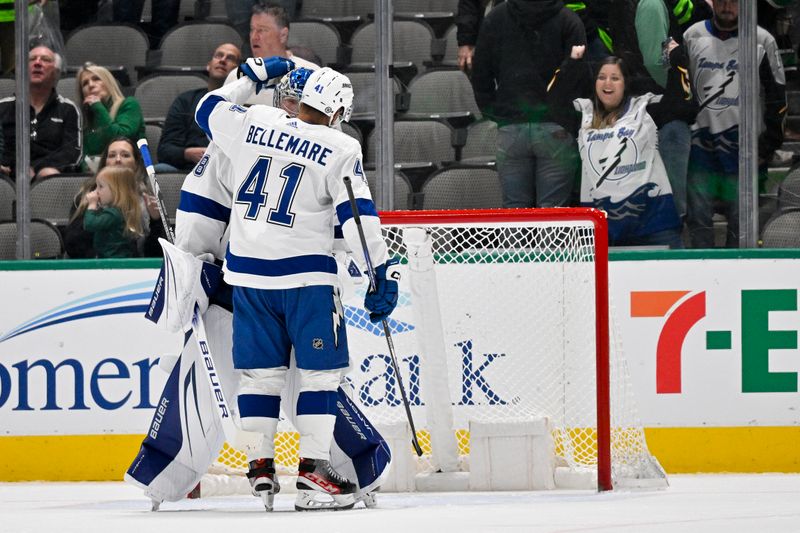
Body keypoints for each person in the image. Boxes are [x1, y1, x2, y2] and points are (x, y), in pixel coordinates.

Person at [195, 59, 399, 511]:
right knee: (320, 374)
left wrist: (251, 77)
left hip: (247, 276)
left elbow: (205, 107)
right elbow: (358, 219)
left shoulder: (256, 121)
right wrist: (379, 273)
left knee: (260, 376)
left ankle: (261, 467)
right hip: (306, 279)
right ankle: (313, 474)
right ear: (338, 111)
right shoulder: (340, 146)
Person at [552, 49, 687, 248]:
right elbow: (553, 102)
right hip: (602, 226)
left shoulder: (644, 108)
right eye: (602, 77)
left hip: (654, 221)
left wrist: (677, 63)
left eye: (615, 78)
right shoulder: (584, 113)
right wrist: (573, 63)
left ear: (626, 83)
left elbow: (680, 104)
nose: (607, 83)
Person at [684, 0, 787, 247]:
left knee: (742, 228)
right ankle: (702, 276)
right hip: (700, 148)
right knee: (698, 221)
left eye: (734, 1)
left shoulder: (762, 40)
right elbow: (679, 90)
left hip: (744, 151)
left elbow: (778, 98)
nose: (727, 6)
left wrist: (767, 147)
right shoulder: (692, 36)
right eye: (722, 1)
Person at [470, 0, 585, 208]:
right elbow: (578, 75)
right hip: (556, 127)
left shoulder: (495, 18)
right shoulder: (569, 20)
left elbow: (480, 74)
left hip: (511, 125)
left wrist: (497, 114)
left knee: (515, 214)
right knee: (553, 216)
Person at [65, 137, 165, 258]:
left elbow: (157, 254)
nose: (118, 160)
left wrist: (156, 221)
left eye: (125, 155)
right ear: (104, 163)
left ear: (136, 163)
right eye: (112, 155)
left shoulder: (148, 198)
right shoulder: (88, 197)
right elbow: (72, 245)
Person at [0, 44, 81, 181]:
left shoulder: (68, 109)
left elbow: (72, 153)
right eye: (32, 59)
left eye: (45, 59)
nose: (37, 63)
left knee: (48, 174)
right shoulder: (3, 107)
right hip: (6, 176)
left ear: (56, 72)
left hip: (47, 181)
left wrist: (37, 168)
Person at [157, 43, 242, 172]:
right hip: (188, 169)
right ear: (209, 65)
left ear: (238, 71)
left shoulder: (242, 106)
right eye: (219, 55)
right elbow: (165, 149)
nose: (223, 60)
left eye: (230, 58)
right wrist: (187, 153)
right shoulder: (185, 100)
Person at [223, 2, 317, 92]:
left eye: (262, 30)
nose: (254, 37)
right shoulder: (236, 77)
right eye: (252, 29)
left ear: (283, 35)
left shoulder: (310, 75)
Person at [77, 63, 146, 173]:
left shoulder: (129, 105)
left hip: (129, 175)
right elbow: (82, 155)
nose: (91, 85)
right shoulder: (85, 120)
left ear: (108, 82)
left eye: (96, 79)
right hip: (94, 177)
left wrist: (98, 107)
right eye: (85, 83)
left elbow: (120, 138)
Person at [81, 165, 144, 258]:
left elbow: (90, 224)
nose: (96, 191)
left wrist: (92, 205)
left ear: (116, 190)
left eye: (100, 187)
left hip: (113, 260)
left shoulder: (114, 214)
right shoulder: (120, 211)